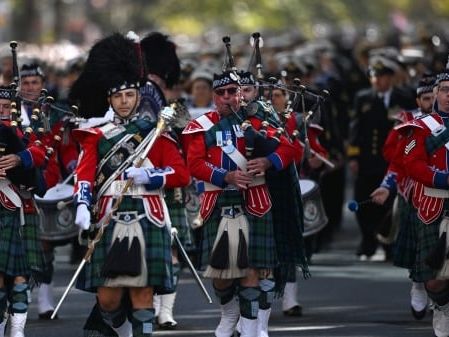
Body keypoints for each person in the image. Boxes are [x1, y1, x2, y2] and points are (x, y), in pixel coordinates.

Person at [70, 33, 190, 337]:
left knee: (142, 295)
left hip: (148, 214)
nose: (124, 101)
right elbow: (84, 174)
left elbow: (181, 175)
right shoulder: (96, 134)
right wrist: (83, 204)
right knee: (108, 298)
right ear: (110, 99)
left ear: (139, 97)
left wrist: (152, 176)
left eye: (130, 95)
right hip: (108, 214)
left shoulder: (156, 134)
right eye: (118, 96)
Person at [183, 70, 301, 337]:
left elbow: (290, 148)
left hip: (255, 201)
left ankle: (250, 332)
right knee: (222, 276)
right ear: (215, 96)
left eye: (232, 92)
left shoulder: (260, 121)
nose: (227, 98)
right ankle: (229, 312)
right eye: (221, 93)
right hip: (218, 200)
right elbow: (194, 164)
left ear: (241, 93)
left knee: (250, 271)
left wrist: (269, 161)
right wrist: (226, 176)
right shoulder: (200, 126)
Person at [371, 75, 435, 320]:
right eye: (426, 97)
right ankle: (419, 284)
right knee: (421, 247)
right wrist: (387, 186)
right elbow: (399, 158)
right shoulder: (410, 125)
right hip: (416, 193)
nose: (432, 101)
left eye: (436, 95)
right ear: (419, 100)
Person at [348, 54, 416, 260]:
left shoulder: (404, 97)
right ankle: (368, 241)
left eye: (382, 76)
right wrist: (353, 156)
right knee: (363, 200)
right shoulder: (363, 98)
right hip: (368, 158)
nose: (377, 80)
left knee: (390, 203)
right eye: (374, 76)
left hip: (392, 160)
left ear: (391, 78)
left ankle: (389, 243)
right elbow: (355, 128)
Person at [402, 69, 449, 337]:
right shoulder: (421, 126)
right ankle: (442, 307)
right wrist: (442, 179)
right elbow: (412, 163)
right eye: (445, 90)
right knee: (434, 279)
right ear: (436, 94)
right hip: (434, 204)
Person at [0, 85, 46, 337]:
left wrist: (20, 158)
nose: (1, 111)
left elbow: (40, 153)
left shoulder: (21, 132)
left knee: (20, 277)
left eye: (6, 107)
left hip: (21, 210)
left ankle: (17, 332)